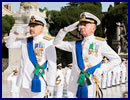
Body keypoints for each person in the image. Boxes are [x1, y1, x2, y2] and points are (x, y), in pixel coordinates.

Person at [53, 12, 121, 98]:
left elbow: (117, 59)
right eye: (81, 24)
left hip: (90, 83)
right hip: (74, 84)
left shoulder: (100, 43)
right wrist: (65, 30)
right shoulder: (75, 44)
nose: (81, 27)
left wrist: (102, 69)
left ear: (93, 28)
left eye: (85, 25)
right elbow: (56, 43)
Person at [6, 15, 57, 98]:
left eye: (34, 26)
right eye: (30, 26)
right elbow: (9, 45)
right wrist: (16, 33)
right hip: (23, 83)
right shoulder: (25, 41)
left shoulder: (48, 42)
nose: (31, 29)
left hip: (38, 82)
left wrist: (50, 85)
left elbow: (52, 65)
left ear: (42, 27)